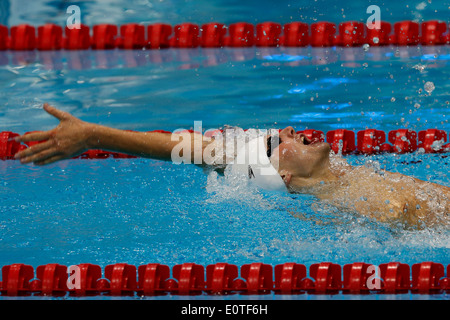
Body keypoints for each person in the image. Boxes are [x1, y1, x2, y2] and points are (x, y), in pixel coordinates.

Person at [14, 103, 450, 228]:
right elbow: (194, 149)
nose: (288, 131)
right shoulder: (351, 204)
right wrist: (92, 135)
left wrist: (94, 135)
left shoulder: (351, 180)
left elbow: (195, 149)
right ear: (284, 177)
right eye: (276, 142)